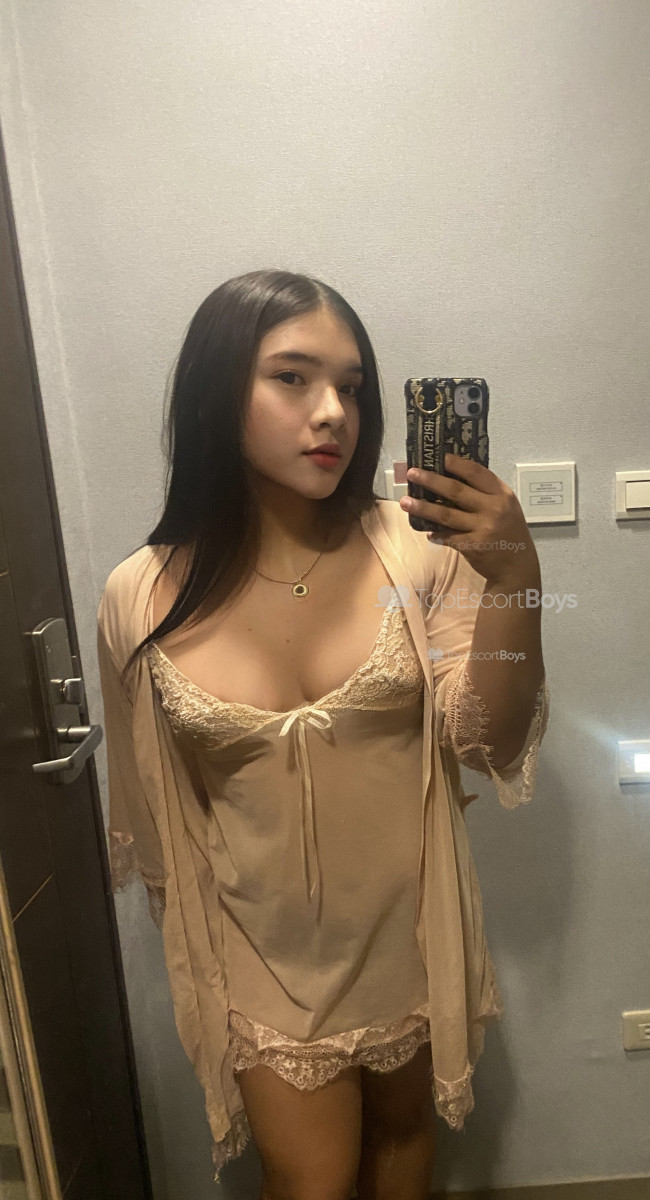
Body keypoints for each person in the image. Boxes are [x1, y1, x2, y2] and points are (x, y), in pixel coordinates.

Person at [96, 269, 550, 1197]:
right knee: (312, 1179)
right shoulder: (138, 595)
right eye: (292, 378)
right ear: (216, 390)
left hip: (407, 933)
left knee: (402, 1149)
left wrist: (515, 581)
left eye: (351, 386)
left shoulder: (412, 553)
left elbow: (491, 741)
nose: (333, 412)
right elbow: (152, 816)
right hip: (259, 953)